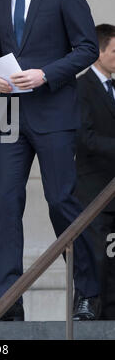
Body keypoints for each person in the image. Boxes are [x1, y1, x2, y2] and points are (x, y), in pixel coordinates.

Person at [0, 0, 101, 322]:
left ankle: (88, 293)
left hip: (54, 113)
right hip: (11, 114)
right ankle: (8, 302)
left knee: (60, 201)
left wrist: (46, 73)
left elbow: (86, 49)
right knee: (6, 206)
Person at [75, 24, 115, 320]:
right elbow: (84, 138)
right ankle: (93, 316)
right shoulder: (81, 87)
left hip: (112, 188)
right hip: (93, 191)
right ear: (100, 51)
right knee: (96, 255)